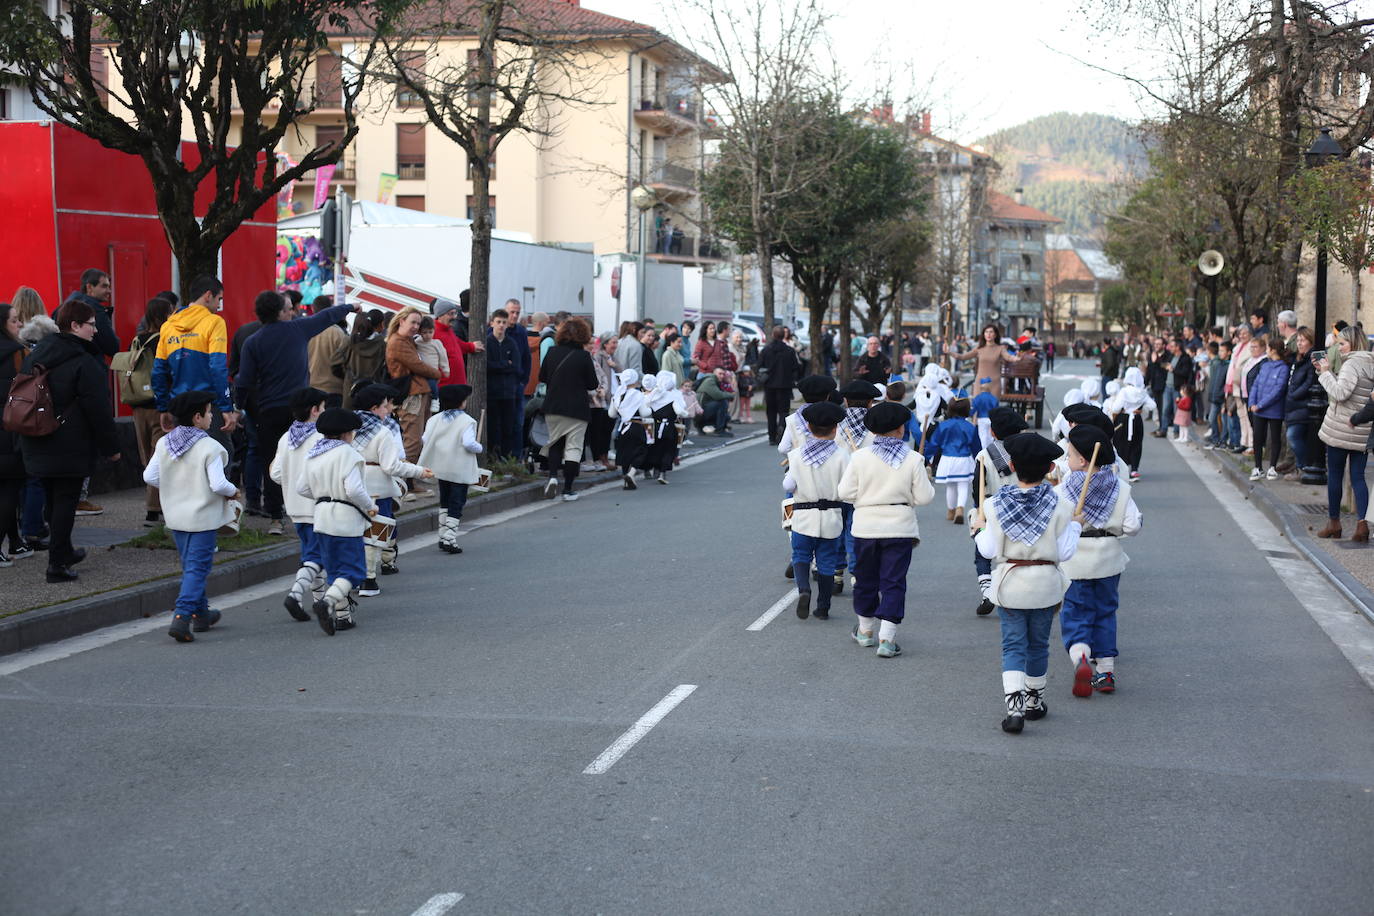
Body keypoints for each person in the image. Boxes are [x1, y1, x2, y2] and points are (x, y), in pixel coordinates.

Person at [971, 432, 1081, 734]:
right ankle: (1034, 702)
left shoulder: (994, 505)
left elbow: (988, 550)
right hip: (1045, 585)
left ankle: (1014, 708)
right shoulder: (1061, 506)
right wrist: (1074, 527)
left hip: (1010, 584)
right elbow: (1066, 552)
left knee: (1013, 646)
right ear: (1049, 469)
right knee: (1038, 645)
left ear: (1013, 465)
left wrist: (979, 528)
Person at [236, 290, 356, 533]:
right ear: (280, 312)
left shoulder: (253, 342)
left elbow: (244, 381)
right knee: (309, 457)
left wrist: (239, 406)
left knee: (272, 463)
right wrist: (351, 307)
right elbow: (326, 316)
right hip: (300, 410)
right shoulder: (298, 329)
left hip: (268, 410)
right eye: (288, 308)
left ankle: (276, 517)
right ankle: (310, 510)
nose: (292, 311)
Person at [19, 298, 122, 583]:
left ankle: (63, 549)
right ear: (75, 326)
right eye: (91, 325)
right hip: (69, 442)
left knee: (53, 500)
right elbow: (98, 408)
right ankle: (57, 565)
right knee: (65, 500)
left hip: (36, 437)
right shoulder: (84, 361)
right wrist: (111, 448)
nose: (96, 331)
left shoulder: (37, 353)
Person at [837, 401, 936, 659]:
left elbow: (844, 493)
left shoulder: (859, 457)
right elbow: (924, 497)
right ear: (900, 430)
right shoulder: (914, 459)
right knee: (893, 581)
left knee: (865, 578)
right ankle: (887, 639)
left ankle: (865, 631)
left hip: (866, 526)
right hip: (900, 528)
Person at [142, 390, 239, 642]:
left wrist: (175, 487)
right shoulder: (210, 447)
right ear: (197, 417)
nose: (211, 417)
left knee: (190, 566)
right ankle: (182, 616)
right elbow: (219, 484)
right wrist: (234, 492)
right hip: (203, 518)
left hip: (176, 517)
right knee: (198, 568)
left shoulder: (166, 443)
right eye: (208, 412)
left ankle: (202, 614)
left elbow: (150, 477)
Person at [1056, 424, 1141, 697]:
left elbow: (1053, 526)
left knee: (1076, 613)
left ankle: (1081, 657)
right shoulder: (1120, 487)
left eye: (1069, 456)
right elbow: (1132, 526)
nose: (1067, 461)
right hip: (1108, 560)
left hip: (1076, 560)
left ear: (1082, 460)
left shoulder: (1063, 490)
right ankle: (1105, 672)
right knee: (1105, 612)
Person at [298, 407, 376, 635]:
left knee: (334, 570)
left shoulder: (313, 453)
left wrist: (324, 495)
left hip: (321, 518)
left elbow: (301, 487)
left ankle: (343, 616)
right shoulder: (349, 454)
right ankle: (328, 602)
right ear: (345, 434)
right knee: (352, 571)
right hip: (346, 519)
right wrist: (370, 505)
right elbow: (353, 489)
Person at [351, 384, 431, 596]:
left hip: (353, 485)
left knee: (355, 532)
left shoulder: (348, 427)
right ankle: (368, 580)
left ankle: (353, 577)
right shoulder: (383, 431)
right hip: (379, 487)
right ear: (375, 407)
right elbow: (392, 466)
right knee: (375, 533)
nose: (388, 410)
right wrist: (419, 471)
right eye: (386, 406)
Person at [783, 400, 850, 620]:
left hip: (803, 515)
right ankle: (823, 607)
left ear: (809, 428)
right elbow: (847, 488)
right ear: (835, 429)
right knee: (827, 560)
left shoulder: (796, 455)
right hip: (831, 516)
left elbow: (788, 486)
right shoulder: (842, 455)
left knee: (801, 554)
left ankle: (803, 589)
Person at [269, 387, 328, 622]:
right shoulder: (322, 438)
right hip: (317, 506)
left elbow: (275, 474)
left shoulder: (286, 438)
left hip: (294, 506)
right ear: (315, 410)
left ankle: (319, 601)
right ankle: (295, 594)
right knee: (317, 556)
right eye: (323, 408)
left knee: (310, 553)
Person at [153, 275, 238, 437]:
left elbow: (158, 371)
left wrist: (163, 407)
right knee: (218, 456)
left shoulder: (168, 326)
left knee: (184, 457)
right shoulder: (215, 322)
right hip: (207, 407)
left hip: (179, 406)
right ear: (208, 296)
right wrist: (226, 407)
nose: (219, 305)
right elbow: (217, 367)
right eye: (219, 299)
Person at [1315, 326, 1374, 541]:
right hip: (1363, 430)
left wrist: (1325, 373)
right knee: (1358, 477)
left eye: (1342, 343)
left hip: (1342, 427)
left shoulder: (1352, 364)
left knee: (1336, 476)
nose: (1339, 347)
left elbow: (1340, 393)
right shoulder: (1371, 362)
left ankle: (1334, 523)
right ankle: (1362, 525)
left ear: (1353, 343)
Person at [970, 407, 1029, 616]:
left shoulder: (985, 455)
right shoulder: (1025, 451)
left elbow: (978, 486)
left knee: (983, 551)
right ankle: (1015, 590)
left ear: (993, 433)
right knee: (1016, 551)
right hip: (1022, 508)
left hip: (992, 507)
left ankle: (987, 590)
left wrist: (979, 511)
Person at [537, 317, 601, 500]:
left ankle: (552, 478)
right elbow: (592, 384)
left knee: (555, 443)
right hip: (577, 409)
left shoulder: (551, 352)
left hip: (553, 406)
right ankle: (568, 489)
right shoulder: (583, 356)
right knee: (573, 447)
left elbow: (542, 377)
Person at [420, 384, 484, 553]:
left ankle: (442, 535)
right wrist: (479, 447)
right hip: (459, 469)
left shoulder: (434, 419)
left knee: (445, 500)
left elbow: (425, 439)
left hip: (441, 466)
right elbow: (469, 443)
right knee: (457, 501)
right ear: (461, 403)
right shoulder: (467, 421)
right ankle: (450, 537)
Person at [128, 296, 174, 526]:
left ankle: (153, 509)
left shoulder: (137, 340)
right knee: (162, 458)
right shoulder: (164, 340)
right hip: (159, 406)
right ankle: (155, 510)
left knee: (147, 457)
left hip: (138, 406)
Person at [385, 306, 443, 465]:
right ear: (402, 321)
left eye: (418, 324)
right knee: (413, 441)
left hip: (418, 392)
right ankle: (408, 484)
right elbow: (417, 365)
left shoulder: (407, 340)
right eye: (413, 322)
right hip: (411, 396)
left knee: (419, 438)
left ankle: (412, 480)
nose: (416, 327)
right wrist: (437, 373)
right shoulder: (398, 341)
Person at [0, 303, 31, 564]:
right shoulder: (18, 354)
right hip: (10, 430)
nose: (19, 325)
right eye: (14, 321)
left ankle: (15, 543)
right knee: (11, 489)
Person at [926, 397, 980, 525]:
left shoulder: (943, 425)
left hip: (947, 459)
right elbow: (976, 446)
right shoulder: (970, 427)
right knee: (963, 486)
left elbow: (934, 443)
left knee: (950, 486)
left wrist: (926, 456)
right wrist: (979, 459)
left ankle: (950, 511)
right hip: (964, 459)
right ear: (967, 409)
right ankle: (960, 508)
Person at [1247, 339, 1289, 480]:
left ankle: (1272, 467)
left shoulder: (1283, 368)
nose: (1267, 351)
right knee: (1257, 437)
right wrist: (1252, 402)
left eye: (1268, 348)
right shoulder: (1265, 366)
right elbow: (1256, 385)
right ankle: (1257, 467)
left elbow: (1278, 390)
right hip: (1258, 408)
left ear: (1273, 350)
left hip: (1274, 409)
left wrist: (1260, 404)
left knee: (1275, 437)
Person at [484, 307, 522, 459]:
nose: (501, 325)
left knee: (508, 427)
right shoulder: (487, 342)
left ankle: (506, 457)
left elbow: (516, 366)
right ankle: (493, 455)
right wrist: (505, 364)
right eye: (498, 322)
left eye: (504, 322)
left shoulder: (511, 343)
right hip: (492, 392)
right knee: (493, 426)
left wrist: (501, 366)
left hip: (508, 393)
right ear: (492, 323)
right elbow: (487, 366)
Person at [61, 268, 119, 357]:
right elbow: (112, 347)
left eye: (109, 286)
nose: (109, 291)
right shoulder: (95, 309)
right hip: (89, 364)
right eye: (104, 286)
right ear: (89, 287)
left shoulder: (65, 307)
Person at [760, 326, 802, 445]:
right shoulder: (789, 351)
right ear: (783, 335)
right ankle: (782, 429)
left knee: (771, 411)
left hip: (769, 385)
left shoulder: (766, 350)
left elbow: (760, 366)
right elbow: (796, 368)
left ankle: (771, 436)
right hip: (785, 385)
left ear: (773, 335)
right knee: (784, 411)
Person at [338, 309, 388, 408]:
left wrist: (347, 376)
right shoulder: (382, 344)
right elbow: (384, 368)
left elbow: (336, 363)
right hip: (372, 388)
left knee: (349, 419)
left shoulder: (350, 340)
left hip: (350, 387)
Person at [1282, 330, 1316, 477]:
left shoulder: (1312, 359)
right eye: (1298, 340)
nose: (1299, 343)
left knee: (1293, 436)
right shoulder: (1298, 359)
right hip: (1294, 405)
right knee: (1295, 437)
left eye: (1303, 340)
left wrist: (1293, 395)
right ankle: (1300, 466)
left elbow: (1310, 382)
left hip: (1303, 405)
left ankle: (1303, 466)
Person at [645, 370, 689, 484]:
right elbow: (680, 410)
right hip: (669, 427)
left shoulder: (654, 395)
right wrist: (685, 413)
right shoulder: (673, 396)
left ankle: (653, 468)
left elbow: (646, 407)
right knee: (668, 450)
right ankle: (662, 472)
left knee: (655, 448)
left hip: (655, 427)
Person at [952, 324, 1020, 398]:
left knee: (993, 408)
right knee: (978, 406)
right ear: (984, 334)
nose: (988, 334)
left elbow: (1008, 357)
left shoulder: (1000, 348)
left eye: (991, 332)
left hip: (994, 383)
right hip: (980, 382)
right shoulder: (979, 348)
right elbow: (962, 357)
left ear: (995, 335)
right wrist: (948, 352)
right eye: (986, 332)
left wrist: (1015, 358)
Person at [610, 369, 650, 489]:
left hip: (622, 427)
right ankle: (631, 473)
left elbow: (611, 414)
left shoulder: (617, 394)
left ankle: (625, 479)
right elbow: (644, 412)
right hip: (636, 426)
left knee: (624, 453)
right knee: (641, 451)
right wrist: (650, 408)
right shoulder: (638, 395)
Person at [306, 301, 349, 408]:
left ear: (313, 309)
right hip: (334, 389)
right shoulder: (338, 333)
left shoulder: (307, 331)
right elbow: (345, 362)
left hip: (311, 387)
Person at [431, 298, 482, 385]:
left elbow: (458, 343)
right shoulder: (433, 333)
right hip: (445, 386)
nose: (454, 317)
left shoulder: (448, 330)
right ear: (440, 315)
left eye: (455, 313)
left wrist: (472, 347)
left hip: (457, 386)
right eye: (450, 314)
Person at [589, 333, 619, 470]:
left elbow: (622, 372)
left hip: (614, 398)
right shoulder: (599, 357)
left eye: (616, 342)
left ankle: (605, 457)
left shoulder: (613, 358)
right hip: (603, 399)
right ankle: (601, 458)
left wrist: (614, 365)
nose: (615, 345)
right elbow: (598, 377)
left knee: (608, 429)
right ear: (605, 344)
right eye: (612, 342)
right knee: (602, 430)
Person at [414, 315, 449, 398]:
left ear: (434, 330)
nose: (428, 335)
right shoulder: (417, 342)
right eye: (424, 332)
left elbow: (443, 356)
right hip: (421, 371)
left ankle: (435, 399)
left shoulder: (436, 343)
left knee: (432, 385)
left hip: (433, 371)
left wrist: (445, 369)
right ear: (419, 332)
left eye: (430, 332)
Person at [694, 367, 734, 436]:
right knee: (723, 402)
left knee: (727, 416)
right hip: (699, 414)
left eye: (723, 374)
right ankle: (720, 430)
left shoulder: (715, 381)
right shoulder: (710, 381)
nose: (722, 376)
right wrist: (732, 395)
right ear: (714, 373)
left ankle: (717, 427)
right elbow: (718, 395)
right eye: (720, 374)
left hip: (702, 411)